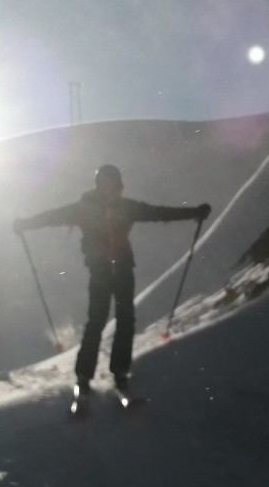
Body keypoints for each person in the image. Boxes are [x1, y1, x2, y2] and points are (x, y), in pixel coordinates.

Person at [13, 164, 209, 398]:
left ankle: (105, 374)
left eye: (111, 182)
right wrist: (27, 223)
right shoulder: (114, 207)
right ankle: (98, 375)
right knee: (106, 319)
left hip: (114, 270)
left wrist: (193, 212)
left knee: (115, 319)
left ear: (116, 184)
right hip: (111, 270)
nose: (107, 186)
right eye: (104, 182)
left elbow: (159, 212)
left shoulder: (92, 208)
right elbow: (53, 216)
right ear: (101, 184)